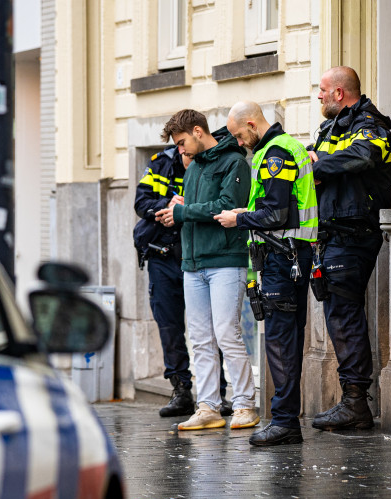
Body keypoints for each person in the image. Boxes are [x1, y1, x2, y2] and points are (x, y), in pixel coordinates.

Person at [217, 101, 318, 446]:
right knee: (283, 339)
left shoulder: (276, 154)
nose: (239, 141)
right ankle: (286, 421)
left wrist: (239, 218)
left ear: (251, 123)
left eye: (238, 134)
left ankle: (286, 421)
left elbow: (276, 215)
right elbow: (277, 208)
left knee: (281, 341)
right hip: (286, 256)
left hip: (283, 257)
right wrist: (248, 211)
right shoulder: (279, 148)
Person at [154, 109, 259, 432]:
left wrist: (183, 212)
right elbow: (199, 207)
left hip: (226, 260)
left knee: (227, 333)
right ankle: (208, 406)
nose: (180, 150)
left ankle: (245, 405)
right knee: (199, 338)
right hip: (193, 263)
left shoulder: (234, 162)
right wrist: (179, 207)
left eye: (183, 142)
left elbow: (226, 205)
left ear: (199, 132)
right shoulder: (193, 168)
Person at [307, 66, 391, 431]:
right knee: (339, 317)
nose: (319, 96)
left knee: (344, 317)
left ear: (340, 93)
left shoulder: (370, 122)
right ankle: (351, 400)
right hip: (331, 234)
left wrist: (321, 165)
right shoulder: (329, 128)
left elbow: (366, 155)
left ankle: (357, 403)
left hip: (354, 233)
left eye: (323, 89)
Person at [133, 147, 230, 418]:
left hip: (198, 254)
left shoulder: (210, 162)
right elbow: (141, 203)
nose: (187, 152)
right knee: (169, 326)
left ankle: (217, 394)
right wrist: (167, 206)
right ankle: (181, 390)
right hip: (163, 256)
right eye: (182, 148)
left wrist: (187, 208)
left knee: (210, 328)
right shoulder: (160, 163)